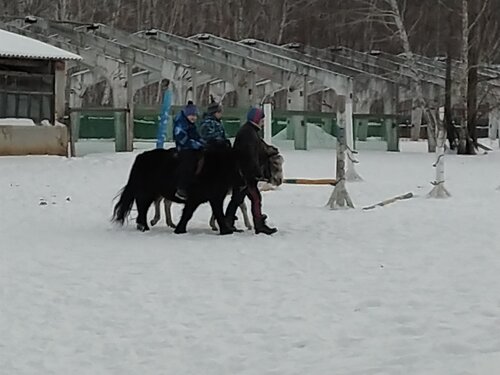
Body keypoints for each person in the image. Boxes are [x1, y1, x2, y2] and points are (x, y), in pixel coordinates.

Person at [225, 107, 277, 235]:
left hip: (241, 172)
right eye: (262, 119)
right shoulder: (249, 134)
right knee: (255, 198)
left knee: (238, 198)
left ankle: (228, 221)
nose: (264, 121)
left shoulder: (249, 131)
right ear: (257, 119)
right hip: (245, 174)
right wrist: (256, 173)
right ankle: (259, 224)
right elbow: (250, 155)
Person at [173, 101, 204, 201]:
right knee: (188, 163)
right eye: (191, 115)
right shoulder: (180, 123)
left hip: (193, 147)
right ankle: (181, 188)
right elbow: (182, 139)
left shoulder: (192, 125)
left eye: (195, 115)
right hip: (183, 149)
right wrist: (195, 144)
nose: (193, 118)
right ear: (186, 114)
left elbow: (196, 136)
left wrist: (203, 143)